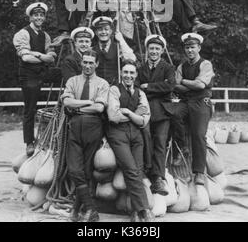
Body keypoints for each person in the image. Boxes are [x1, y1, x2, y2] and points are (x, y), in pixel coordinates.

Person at [61, 49, 109, 222]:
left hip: (93, 127)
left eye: (91, 63)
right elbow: (66, 101)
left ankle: (78, 210)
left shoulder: (103, 84)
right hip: (74, 126)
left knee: (87, 171)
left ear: (96, 64)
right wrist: (88, 102)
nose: (88, 66)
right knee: (74, 169)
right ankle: (90, 209)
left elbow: (99, 108)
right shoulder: (73, 81)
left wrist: (77, 107)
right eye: (85, 62)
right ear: (81, 63)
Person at [106, 60, 154, 222]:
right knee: (132, 170)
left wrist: (126, 112)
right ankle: (144, 210)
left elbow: (144, 121)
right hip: (117, 134)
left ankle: (134, 212)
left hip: (136, 135)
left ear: (136, 75)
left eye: (131, 73)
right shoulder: (114, 90)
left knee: (138, 171)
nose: (128, 76)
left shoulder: (141, 93)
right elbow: (113, 116)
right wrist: (136, 115)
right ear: (121, 74)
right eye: (125, 72)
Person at [13, 2, 57, 156]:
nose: (39, 17)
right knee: (30, 109)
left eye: (41, 15)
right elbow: (26, 58)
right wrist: (43, 57)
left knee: (65, 75)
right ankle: (29, 142)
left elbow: (52, 57)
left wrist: (38, 55)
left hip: (42, 72)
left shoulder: (45, 35)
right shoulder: (22, 34)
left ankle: (57, 133)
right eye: (36, 15)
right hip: (29, 75)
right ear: (30, 17)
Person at [137, 34, 177, 195]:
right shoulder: (141, 68)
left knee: (161, 142)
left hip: (162, 112)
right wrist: (156, 88)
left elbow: (170, 87)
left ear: (162, 50)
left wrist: (148, 87)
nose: (154, 51)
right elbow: (137, 87)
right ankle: (146, 171)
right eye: (151, 48)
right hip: (145, 112)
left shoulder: (168, 68)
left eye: (157, 49)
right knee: (145, 141)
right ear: (147, 50)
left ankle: (158, 178)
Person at [174, 32, 215, 185]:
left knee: (198, 135)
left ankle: (199, 172)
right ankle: (182, 147)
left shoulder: (205, 64)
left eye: (192, 47)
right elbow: (175, 86)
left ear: (199, 48)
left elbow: (200, 85)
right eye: (187, 47)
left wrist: (184, 81)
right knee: (174, 114)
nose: (189, 50)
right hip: (185, 102)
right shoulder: (181, 66)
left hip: (200, 102)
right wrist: (189, 85)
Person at [92, 16, 136, 85]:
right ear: (96, 32)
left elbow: (132, 59)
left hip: (115, 87)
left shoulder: (118, 47)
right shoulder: (92, 50)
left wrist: (121, 40)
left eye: (106, 29)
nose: (103, 32)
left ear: (111, 31)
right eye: (100, 29)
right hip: (97, 87)